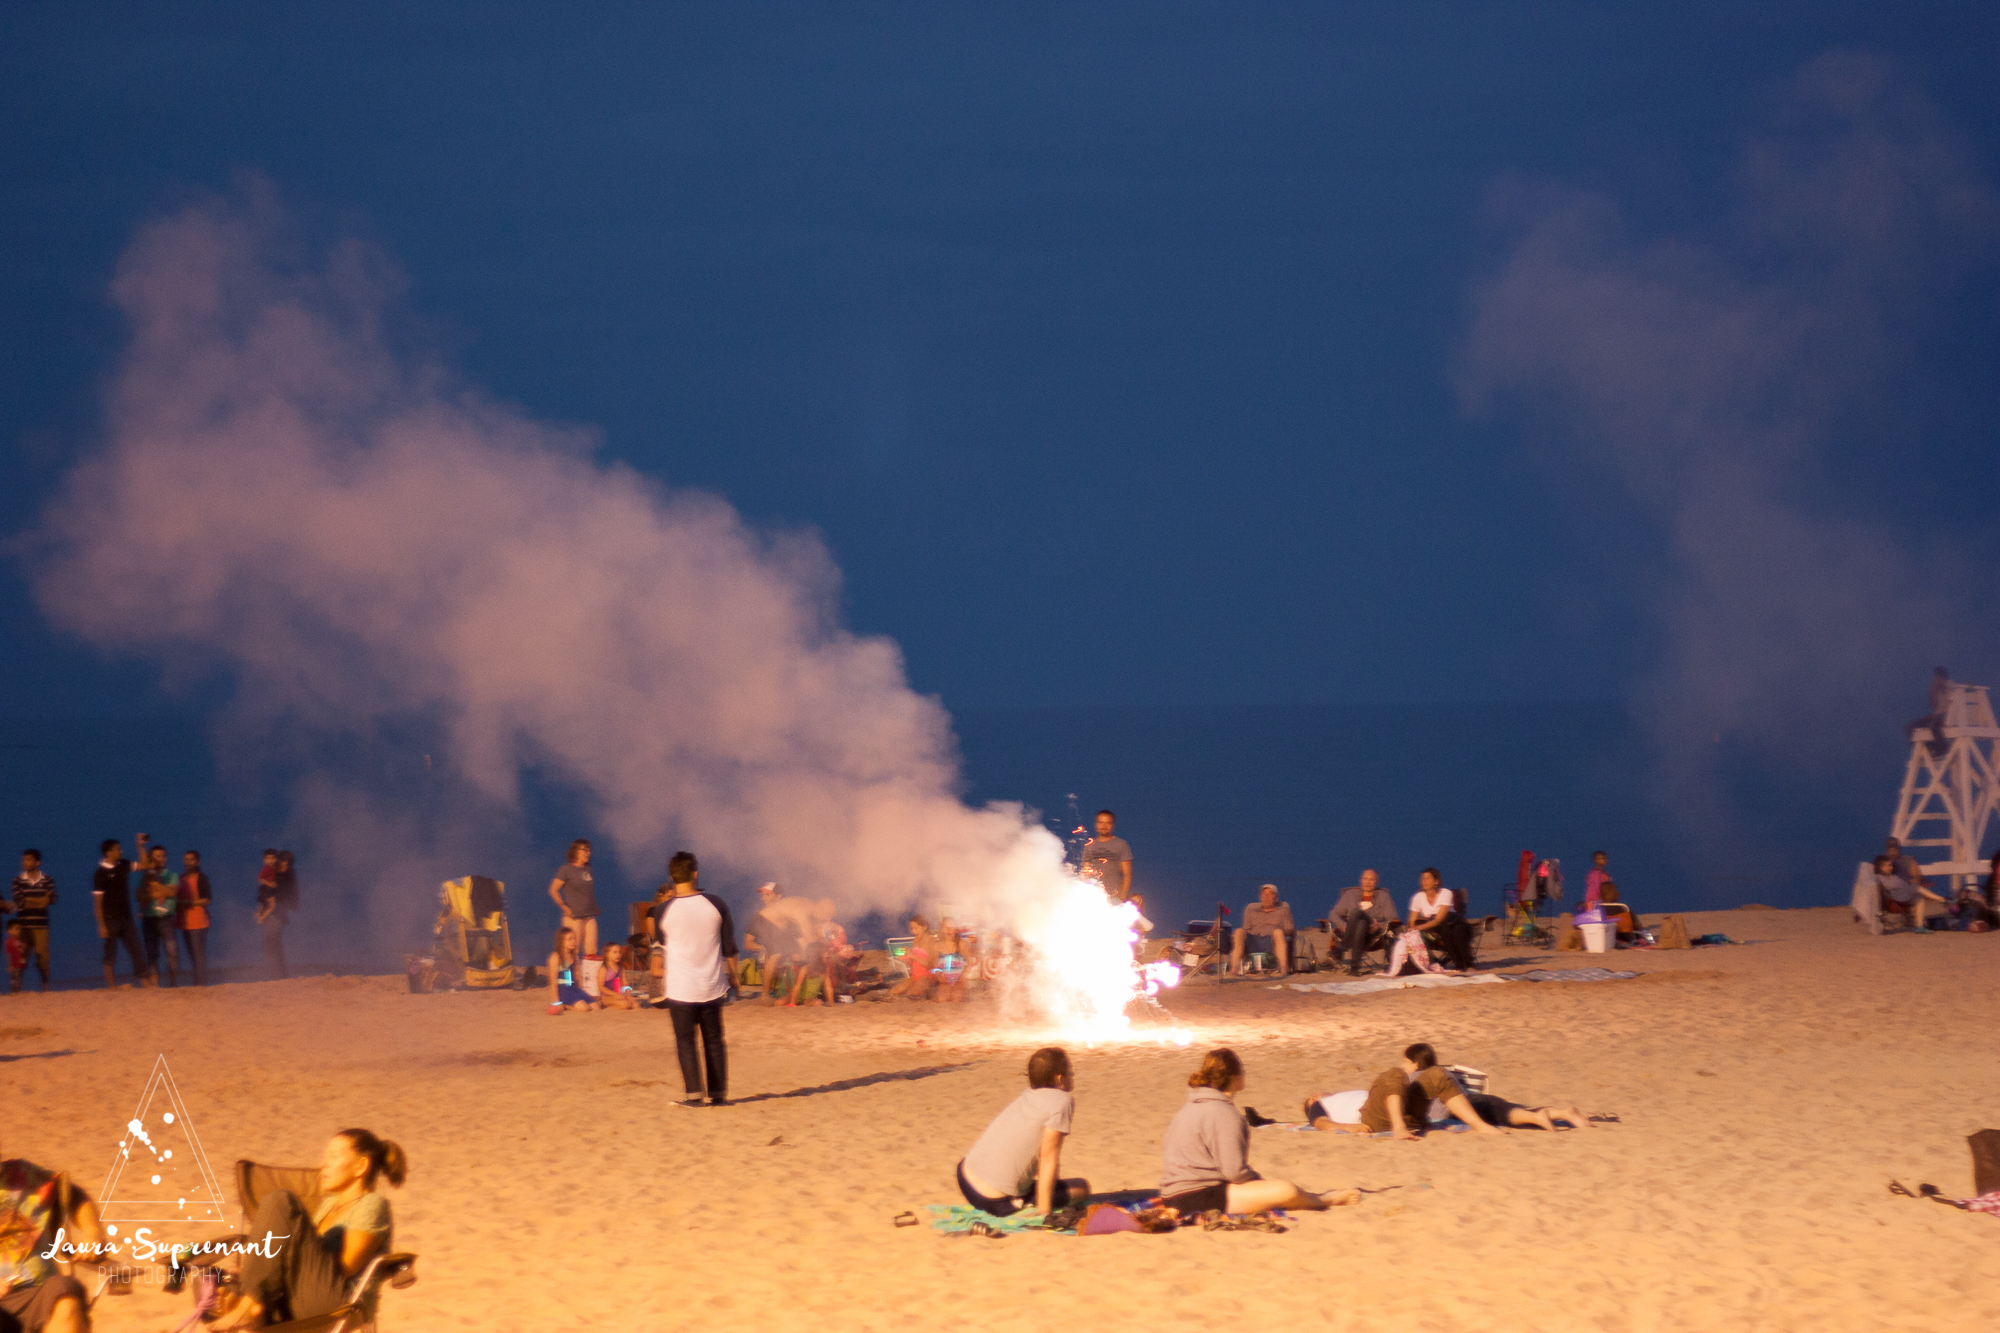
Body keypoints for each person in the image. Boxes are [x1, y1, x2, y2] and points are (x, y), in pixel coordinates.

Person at [217, 1129, 406, 1330]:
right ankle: (243, 1303)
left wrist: (276, 1264)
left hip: (341, 1304)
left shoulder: (372, 1204)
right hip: (303, 1299)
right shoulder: (328, 1205)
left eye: (334, 1156)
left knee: (280, 1201)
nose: (322, 1164)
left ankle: (249, 1304)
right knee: (212, 1280)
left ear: (361, 1166)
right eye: (325, 1157)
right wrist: (260, 1267)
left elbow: (346, 1267)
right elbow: (307, 1258)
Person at [1158, 1048, 1360, 1217]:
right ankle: (1323, 1199)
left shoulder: (1190, 1106)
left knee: (1271, 1189)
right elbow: (1234, 1172)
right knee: (1285, 1190)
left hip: (1171, 1194)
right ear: (1235, 1078)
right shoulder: (1225, 1114)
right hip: (1198, 1198)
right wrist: (1258, 1183)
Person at [957, 1047, 1089, 1218]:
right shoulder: (1062, 1101)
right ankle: (1025, 1203)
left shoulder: (1027, 1095)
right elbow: (1048, 1157)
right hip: (991, 1199)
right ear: (1059, 1078)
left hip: (964, 1176)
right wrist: (1044, 1210)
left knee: (1045, 1185)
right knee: (1081, 1188)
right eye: (1070, 1072)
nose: (1072, 1075)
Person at [654, 851, 738, 1107]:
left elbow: (661, 946)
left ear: (671, 876)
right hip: (712, 984)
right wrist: (735, 981)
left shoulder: (661, 911)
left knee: (685, 1041)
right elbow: (730, 949)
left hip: (680, 987)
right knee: (714, 1040)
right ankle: (719, 1094)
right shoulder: (716, 904)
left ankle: (694, 1095)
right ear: (695, 873)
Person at [0, 1133, 105, 1333]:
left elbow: (75, 1196)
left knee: (64, 1292)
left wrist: (93, 1234)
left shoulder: (23, 1175)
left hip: (38, 1293)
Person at [1358, 1043, 1507, 1140]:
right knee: (1395, 1073)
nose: (1403, 1065)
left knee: (1438, 1073)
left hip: (1412, 1120)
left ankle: (1479, 1125)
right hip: (1375, 1120)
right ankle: (1399, 1128)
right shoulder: (1334, 1101)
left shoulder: (1410, 1078)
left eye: (1405, 1061)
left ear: (1415, 1064)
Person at [93, 837, 154, 989]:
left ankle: (145, 983)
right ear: (109, 852)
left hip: (126, 917)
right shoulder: (100, 873)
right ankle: (111, 985)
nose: (121, 851)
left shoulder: (123, 864)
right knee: (110, 953)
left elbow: (145, 865)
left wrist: (140, 846)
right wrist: (101, 925)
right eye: (118, 849)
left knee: (136, 950)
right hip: (110, 918)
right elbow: (98, 902)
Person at [1329, 870, 1398, 975]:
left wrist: (1380, 925)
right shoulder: (1350, 895)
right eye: (1365, 879)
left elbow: (1392, 919)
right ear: (1360, 880)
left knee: (1358, 913)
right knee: (1360, 922)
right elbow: (1333, 914)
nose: (1368, 882)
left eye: (1371, 879)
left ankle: (1342, 947)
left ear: (1377, 882)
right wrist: (1342, 925)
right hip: (1351, 932)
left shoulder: (1383, 897)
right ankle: (1354, 969)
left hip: (1372, 935)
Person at [9, 851, 56, 993]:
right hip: (23, 926)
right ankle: (16, 989)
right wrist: (41, 900)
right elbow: (20, 901)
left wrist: (31, 900)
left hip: (41, 925)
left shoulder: (47, 879)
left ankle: (45, 987)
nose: (24, 862)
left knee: (42, 959)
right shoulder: (18, 880)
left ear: (37, 862)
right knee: (21, 958)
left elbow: (52, 898)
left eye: (28, 860)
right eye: (24, 860)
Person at [1409, 868, 1472, 972]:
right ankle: (1464, 963)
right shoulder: (1418, 897)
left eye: (1428, 878)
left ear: (1436, 881)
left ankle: (1463, 963)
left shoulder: (1446, 893)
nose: (1424, 881)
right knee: (1447, 930)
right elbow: (1411, 920)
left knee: (1454, 929)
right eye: (1422, 878)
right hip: (1435, 929)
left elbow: (1439, 919)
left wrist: (1417, 927)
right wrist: (1413, 928)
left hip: (1452, 922)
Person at [547, 839, 600, 958]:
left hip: (589, 915)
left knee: (592, 951)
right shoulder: (566, 869)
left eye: (589, 850)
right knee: (572, 950)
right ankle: (569, 976)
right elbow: (553, 890)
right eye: (584, 850)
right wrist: (564, 907)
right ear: (575, 851)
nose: (588, 853)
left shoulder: (588, 869)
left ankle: (589, 976)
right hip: (574, 916)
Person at [138, 844, 181, 988]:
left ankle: (173, 984)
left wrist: (154, 886)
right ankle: (155, 985)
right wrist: (162, 890)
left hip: (166, 918)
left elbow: (172, 893)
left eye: (163, 856)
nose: (160, 859)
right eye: (157, 856)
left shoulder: (172, 875)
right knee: (151, 952)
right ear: (151, 858)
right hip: (149, 918)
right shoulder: (145, 877)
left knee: (172, 951)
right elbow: (139, 896)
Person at [1229, 884, 1295, 976]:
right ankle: (1234, 970)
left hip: (1272, 941)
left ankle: (1284, 970)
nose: (1266, 897)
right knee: (1239, 931)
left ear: (1276, 897)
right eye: (1263, 894)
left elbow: (1290, 930)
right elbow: (1246, 929)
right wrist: (1239, 935)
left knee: (1278, 932)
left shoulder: (1283, 910)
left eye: (1270, 894)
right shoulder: (1251, 910)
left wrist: (1279, 933)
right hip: (1254, 940)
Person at [1873, 854, 1947, 932]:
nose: (1891, 868)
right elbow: (1890, 886)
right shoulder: (1879, 877)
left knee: (1919, 898)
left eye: (1891, 865)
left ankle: (1920, 927)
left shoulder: (1892, 876)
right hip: (1895, 898)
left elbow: (1901, 884)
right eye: (1889, 865)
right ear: (1881, 867)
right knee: (1917, 888)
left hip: (1902, 895)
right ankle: (1941, 899)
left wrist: (1907, 883)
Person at [1078, 809, 1132, 903]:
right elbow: (1085, 873)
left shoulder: (1121, 844)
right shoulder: (1089, 846)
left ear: (1113, 825)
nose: (1104, 826)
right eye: (1101, 823)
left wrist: (1121, 898)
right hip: (1093, 898)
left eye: (1108, 823)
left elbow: (1128, 875)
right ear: (1096, 824)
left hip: (1115, 897)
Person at [177, 849, 213, 986]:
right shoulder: (181, 878)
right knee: (192, 954)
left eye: (191, 859)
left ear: (197, 861)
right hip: (185, 922)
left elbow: (208, 899)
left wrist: (189, 902)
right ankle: (198, 982)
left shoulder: (201, 877)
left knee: (199, 954)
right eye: (186, 859)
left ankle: (201, 983)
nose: (187, 862)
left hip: (199, 921)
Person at [547, 926, 598, 1012]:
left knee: (596, 1006)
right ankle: (566, 1006)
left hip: (573, 988)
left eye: (574, 938)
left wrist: (582, 991)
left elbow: (577, 975)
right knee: (585, 1008)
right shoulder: (556, 957)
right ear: (561, 941)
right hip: (563, 990)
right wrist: (556, 1001)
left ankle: (571, 1004)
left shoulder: (574, 956)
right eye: (569, 939)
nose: (573, 941)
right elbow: (553, 981)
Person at [254, 849, 288, 980]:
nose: (271, 860)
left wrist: (262, 916)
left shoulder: (277, 871)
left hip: (274, 913)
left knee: (271, 945)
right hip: (269, 897)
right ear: (264, 860)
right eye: (268, 858)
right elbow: (261, 881)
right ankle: (279, 974)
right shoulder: (266, 871)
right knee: (273, 945)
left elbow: (273, 901)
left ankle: (277, 975)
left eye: (273, 858)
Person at [596, 942, 641, 1010]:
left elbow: (625, 984)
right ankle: (605, 1006)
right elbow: (601, 987)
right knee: (625, 1005)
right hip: (606, 997)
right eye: (615, 952)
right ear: (607, 954)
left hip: (618, 995)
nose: (618, 955)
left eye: (619, 952)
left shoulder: (620, 968)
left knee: (636, 1005)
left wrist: (629, 995)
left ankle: (620, 1003)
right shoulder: (604, 969)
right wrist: (615, 995)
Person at [4, 923, 23, 995]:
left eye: (18, 929)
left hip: (19, 964)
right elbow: (9, 954)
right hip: (13, 964)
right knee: (13, 978)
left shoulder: (19, 941)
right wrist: (10, 965)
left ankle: (18, 991)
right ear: (9, 931)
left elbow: (21, 953)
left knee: (18, 978)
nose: (17, 931)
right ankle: (13, 991)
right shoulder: (9, 942)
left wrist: (23, 963)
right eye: (15, 929)